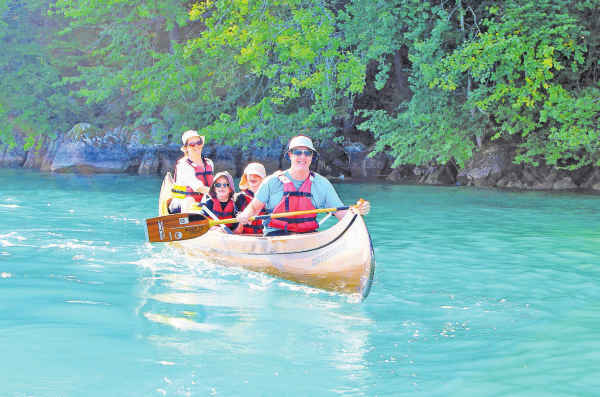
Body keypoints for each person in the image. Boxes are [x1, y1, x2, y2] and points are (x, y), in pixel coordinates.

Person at [236, 135, 370, 236]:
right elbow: (253, 208)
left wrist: (359, 211)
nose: (303, 157)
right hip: (276, 236)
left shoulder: (322, 184)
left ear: (312, 157)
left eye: (307, 153)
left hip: (308, 236)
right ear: (290, 155)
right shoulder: (271, 182)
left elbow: (344, 215)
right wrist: (246, 214)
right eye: (298, 152)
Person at [169, 130, 214, 213]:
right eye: (192, 144)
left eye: (198, 142)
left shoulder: (209, 163)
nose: (196, 146)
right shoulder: (183, 165)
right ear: (186, 148)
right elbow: (199, 188)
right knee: (189, 199)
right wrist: (219, 193)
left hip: (204, 203)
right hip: (181, 203)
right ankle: (185, 222)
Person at [234, 162, 268, 235]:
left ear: (263, 178)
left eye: (257, 175)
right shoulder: (241, 196)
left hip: (264, 235)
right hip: (246, 235)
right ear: (246, 177)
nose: (253, 177)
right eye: (250, 175)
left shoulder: (268, 197)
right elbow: (235, 222)